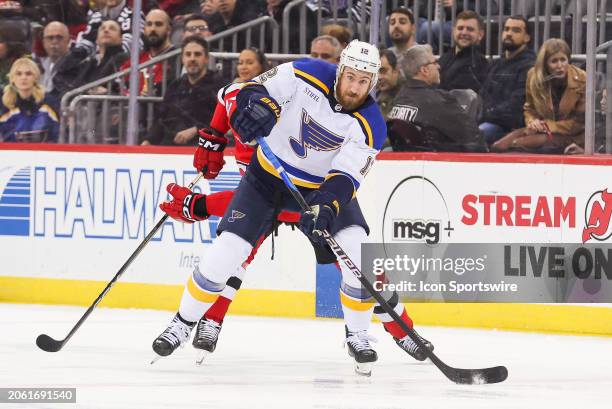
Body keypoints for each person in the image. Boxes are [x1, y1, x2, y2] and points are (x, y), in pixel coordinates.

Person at [151, 40, 433, 375]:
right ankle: (184, 322)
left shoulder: (371, 123)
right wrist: (236, 116)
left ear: (372, 83)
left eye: (363, 81)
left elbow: (344, 179)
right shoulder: (305, 72)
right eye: (351, 77)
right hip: (265, 181)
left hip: (317, 192)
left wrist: (327, 206)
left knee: (359, 255)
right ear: (340, 70)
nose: (355, 87)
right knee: (228, 252)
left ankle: (361, 334)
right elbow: (241, 91)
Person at [491, 38, 586, 154]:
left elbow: (579, 122)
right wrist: (532, 121)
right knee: (498, 146)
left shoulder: (581, 79)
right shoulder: (533, 75)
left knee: (517, 145)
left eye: (563, 60)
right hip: (540, 129)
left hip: (570, 134)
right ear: (545, 64)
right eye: (554, 61)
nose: (560, 66)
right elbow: (529, 108)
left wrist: (547, 126)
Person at [387, 44, 485, 152]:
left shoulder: (399, 97)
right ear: (424, 70)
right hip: (439, 163)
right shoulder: (439, 101)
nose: (439, 66)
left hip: (406, 161)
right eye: (434, 62)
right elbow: (474, 137)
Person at [141, 36, 223, 146]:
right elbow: (161, 118)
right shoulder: (174, 86)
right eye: (188, 54)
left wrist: (197, 130)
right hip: (169, 147)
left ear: (206, 58)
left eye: (197, 54)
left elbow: (225, 121)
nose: (192, 58)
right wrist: (148, 141)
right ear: (182, 59)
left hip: (204, 148)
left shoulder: (220, 86)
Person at [479, 16, 535, 145]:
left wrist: (486, 114)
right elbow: (482, 95)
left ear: (527, 37)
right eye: (506, 29)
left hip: (509, 127)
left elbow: (517, 105)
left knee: (477, 133)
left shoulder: (530, 65)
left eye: (516, 30)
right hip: (488, 120)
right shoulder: (495, 64)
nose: (509, 33)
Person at [120, 8, 177, 96]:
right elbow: (120, 84)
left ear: (168, 30)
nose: (153, 29)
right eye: (149, 24)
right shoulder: (138, 58)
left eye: (158, 24)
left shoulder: (177, 57)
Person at [0, 57, 59, 142]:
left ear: (35, 77)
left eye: (28, 74)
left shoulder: (48, 102)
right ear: (12, 78)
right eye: (19, 74)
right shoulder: (4, 103)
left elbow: (57, 134)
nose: (23, 77)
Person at [438, 10, 488, 93]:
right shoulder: (444, 57)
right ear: (454, 31)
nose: (464, 32)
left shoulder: (481, 64)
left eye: (470, 29)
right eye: (460, 28)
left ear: (480, 34)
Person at [75, 0, 143, 57]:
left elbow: (131, 49)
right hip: (95, 68)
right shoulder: (94, 16)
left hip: (120, 68)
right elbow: (82, 48)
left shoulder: (134, 15)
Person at [35, 21, 71, 98]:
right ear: (44, 42)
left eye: (59, 37)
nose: (54, 41)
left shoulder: (77, 64)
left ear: (68, 40)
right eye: (50, 38)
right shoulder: (37, 65)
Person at [377, 49, 404, 123]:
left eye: (383, 71)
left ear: (396, 71)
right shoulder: (374, 93)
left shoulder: (407, 96)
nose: (378, 77)